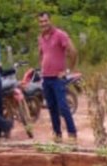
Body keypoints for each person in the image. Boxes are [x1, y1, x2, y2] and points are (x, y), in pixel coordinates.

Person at [37, 10, 78, 145]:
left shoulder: (60, 35)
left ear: (50, 20)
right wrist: (41, 70)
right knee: (52, 107)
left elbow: (73, 51)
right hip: (46, 78)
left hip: (58, 78)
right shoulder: (41, 38)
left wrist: (67, 71)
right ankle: (57, 134)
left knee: (63, 106)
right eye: (41, 21)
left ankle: (72, 133)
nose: (44, 23)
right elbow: (41, 54)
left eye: (45, 20)